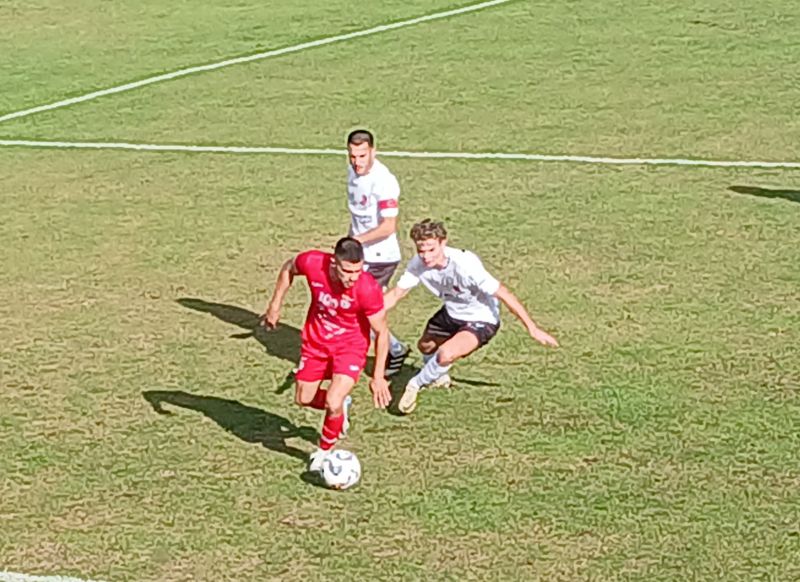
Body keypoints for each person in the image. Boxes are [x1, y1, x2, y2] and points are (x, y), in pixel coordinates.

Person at [383, 220, 560, 414]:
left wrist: (532, 328)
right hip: (452, 313)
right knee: (425, 347)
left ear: (443, 243)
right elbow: (396, 294)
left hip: (482, 319)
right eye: (421, 251)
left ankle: (415, 384)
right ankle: (438, 376)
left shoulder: (465, 265)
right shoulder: (418, 264)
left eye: (431, 249)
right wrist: (368, 314)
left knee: (446, 354)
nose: (426, 256)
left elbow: (504, 293)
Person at [261, 237, 392, 472]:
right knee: (303, 399)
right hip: (315, 344)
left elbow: (382, 333)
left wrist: (379, 376)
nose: (353, 277)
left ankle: (324, 451)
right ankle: (342, 406)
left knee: (332, 401)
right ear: (334, 263)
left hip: (350, 348)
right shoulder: (313, 263)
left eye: (358, 270)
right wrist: (275, 304)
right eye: (348, 271)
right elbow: (289, 268)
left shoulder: (367, 288)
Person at [345, 129, 410, 376]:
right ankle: (389, 348)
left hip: (381, 257)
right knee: (354, 305)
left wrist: (355, 241)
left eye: (362, 156)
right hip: (361, 253)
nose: (357, 162)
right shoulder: (352, 172)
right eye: (352, 156)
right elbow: (357, 215)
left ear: (373, 151)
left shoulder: (384, 182)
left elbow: (388, 227)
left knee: (362, 308)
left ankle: (391, 349)